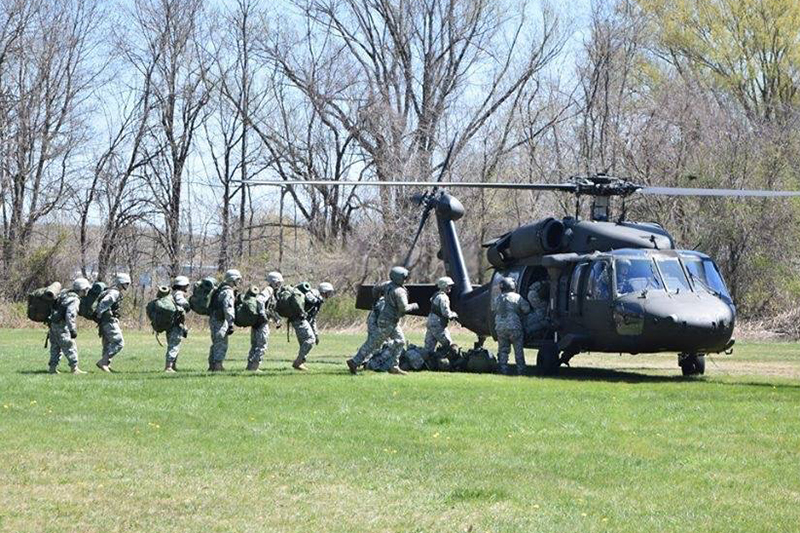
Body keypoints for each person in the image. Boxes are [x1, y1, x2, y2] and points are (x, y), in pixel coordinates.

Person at [347, 266, 419, 375]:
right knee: (373, 343)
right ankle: (354, 362)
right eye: (404, 277)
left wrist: (376, 300)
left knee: (400, 341)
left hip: (391, 321)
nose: (406, 280)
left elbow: (376, 288)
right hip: (388, 321)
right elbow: (404, 308)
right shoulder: (399, 292)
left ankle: (394, 366)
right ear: (398, 278)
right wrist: (414, 305)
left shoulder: (388, 285)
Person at [48, 277, 91, 374]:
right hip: (63, 327)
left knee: (55, 347)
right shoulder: (74, 299)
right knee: (70, 346)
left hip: (54, 325)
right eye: (86, 289)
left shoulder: (64, 294)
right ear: (82, 289)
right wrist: (72, 330)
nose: (86, 292)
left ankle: (52, 368)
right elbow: (70, 315)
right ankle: (74, 368)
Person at [290, 281, 335, 371]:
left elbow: (312, 319)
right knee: (310, 340)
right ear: (324, 291)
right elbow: (308, 296)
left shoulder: (318, 300)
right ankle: (298, 362)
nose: (330, 295)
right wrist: (316, 300)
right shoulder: (314, 293)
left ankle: (300, 363)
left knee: (305, 342)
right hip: (299, 319)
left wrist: (316, 334)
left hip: (300, 320)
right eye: (329, 292)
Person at [246, 271, 283, 372]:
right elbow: (260, 300)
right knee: (262, 344)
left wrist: (276, 319)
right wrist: (262, 314)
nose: (280, 285)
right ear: (274, 282)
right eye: (279, 282)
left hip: (257, 322)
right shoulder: (269, 290)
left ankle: (250, 366)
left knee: (255, 345)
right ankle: (255, 366)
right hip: (261, 322)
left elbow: (270, 308)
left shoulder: (271, 291)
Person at [494, 277, 530, 376]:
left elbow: (494, 309)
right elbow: (526, 309)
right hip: (514, 326)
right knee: (518, 350)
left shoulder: (497, 298)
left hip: (500, 327)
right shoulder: (517, 297)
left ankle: (503, 369)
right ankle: (521, 371)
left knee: (503, 350)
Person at [95, 273, 131, 373]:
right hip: (109, 321)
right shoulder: (114, 293)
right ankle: (103, 362)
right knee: (119, 343)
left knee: (107, 343)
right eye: (126, 283)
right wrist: (100, 313)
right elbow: (104, 303)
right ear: (121, 283)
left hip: (105, 321)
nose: (127, 286)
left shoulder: (110, 290)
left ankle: (106, 364)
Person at [208, 269, 241, 372]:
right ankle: (218, 366)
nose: (239, 282)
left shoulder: (219, 289)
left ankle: (212, 366)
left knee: (216, 342)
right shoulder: (228, 291)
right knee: (221, 343)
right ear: (233, 280)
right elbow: (228, 308)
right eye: (238, 280)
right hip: (221, 321)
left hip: (214, 319)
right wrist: (230, 323)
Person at [424, 276, 458, 357]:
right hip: (438, 324)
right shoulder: (443, 298)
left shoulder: (436, 295)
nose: (450, 287)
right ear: (444, 286)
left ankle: (426, 363)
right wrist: (455, 315)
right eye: (449, 285)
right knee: (449, 344)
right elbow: (446, 313)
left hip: (431, 322)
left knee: (428, 348)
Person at [164, 276, 191, 373]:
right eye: (186, 286)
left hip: (171, 324)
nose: (187, 288)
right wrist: (189, 304)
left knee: (174, 344)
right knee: (174, 345)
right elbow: (182, 302)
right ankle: (168, 367)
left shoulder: (172, 294)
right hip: (176, 324)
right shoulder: (179, 294)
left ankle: (173, 366)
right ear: (182, 285)